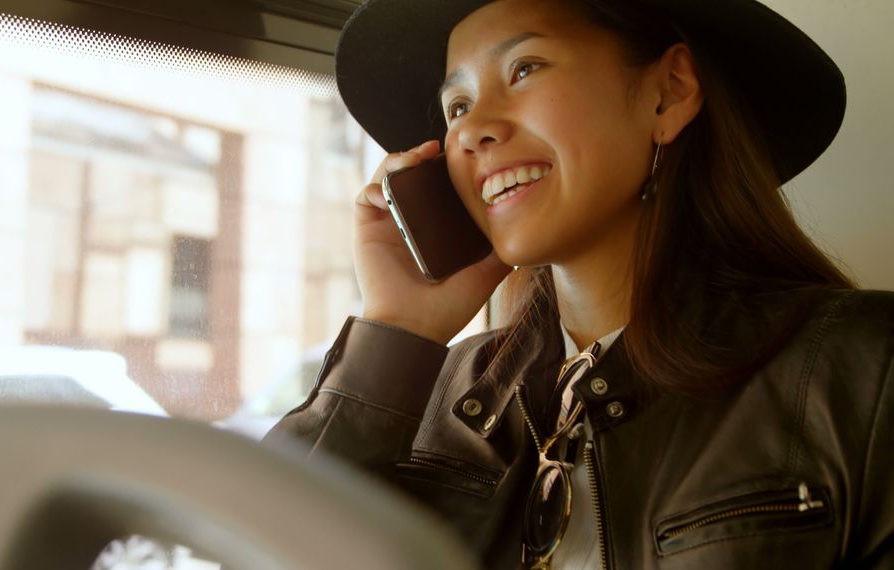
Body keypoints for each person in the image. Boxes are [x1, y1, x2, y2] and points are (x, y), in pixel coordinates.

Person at [265, 0, 892, 568]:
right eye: (456, 106)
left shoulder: (865, 371)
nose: (474, 128)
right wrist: (397, 330)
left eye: (524, 69)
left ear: (669, 93)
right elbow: (258, 547)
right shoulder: (436, 391)